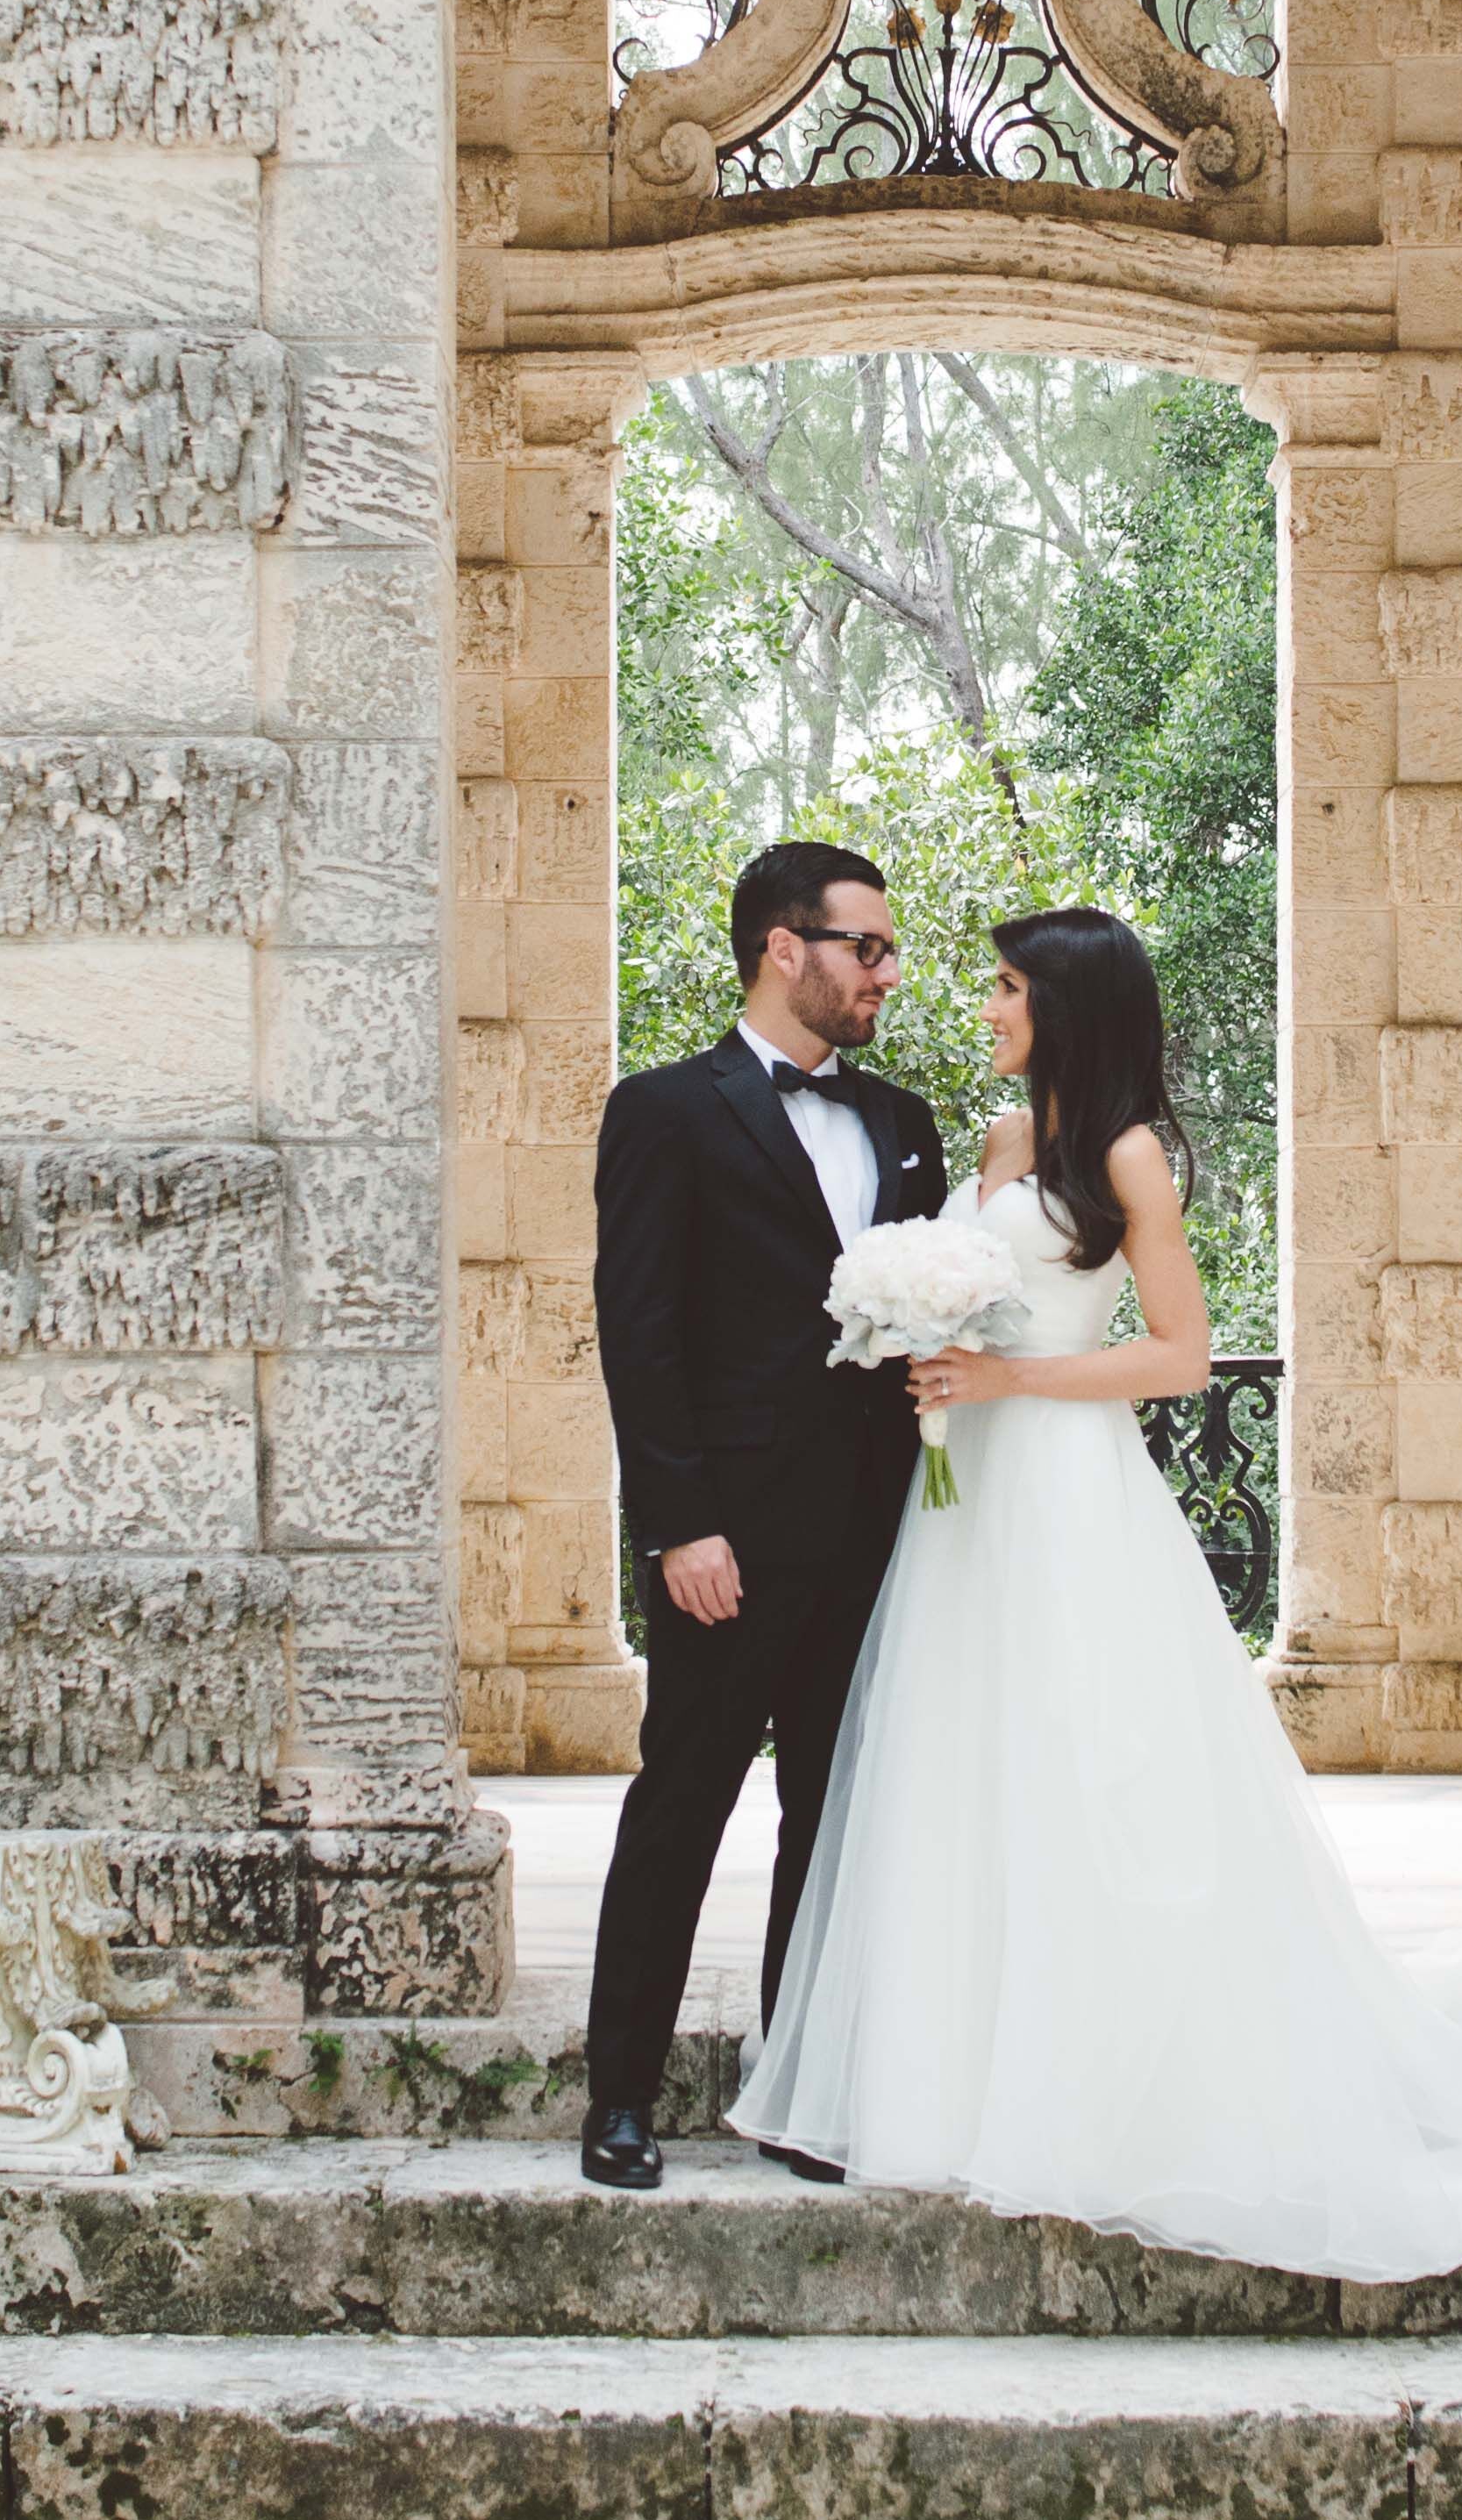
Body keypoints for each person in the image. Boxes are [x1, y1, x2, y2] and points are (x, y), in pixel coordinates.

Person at [726, 904, 1462, 2280]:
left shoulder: (1125, 1157)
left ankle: (1109, 2078)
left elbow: (1181, 1355)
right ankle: (956, 2071)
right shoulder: (999, 1143)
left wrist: (1008, 1379)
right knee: (960, 1764)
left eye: (1005, 990)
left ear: (1065, 1004)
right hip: (964, 1502)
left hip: (1063, 1485)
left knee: (1089, 1767)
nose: (986, 1009)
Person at [573, 839, 950, 2192]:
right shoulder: (666, 1112)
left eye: (886, 950)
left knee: (830, 1819)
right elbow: (642, 1334)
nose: (886, 974)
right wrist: (678, 1527)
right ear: (785, 949)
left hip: (872, 1536)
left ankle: (800, 2088)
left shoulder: (904, 1122)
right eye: (868, 948)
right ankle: (619, 2094)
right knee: (682, 1804)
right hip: (726, 1545)